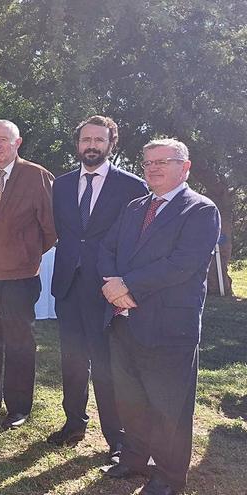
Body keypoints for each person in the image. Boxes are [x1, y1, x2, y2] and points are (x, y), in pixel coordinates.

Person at [98, 138, 220, 495]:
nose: (152, 168)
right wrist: (113, 287)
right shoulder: (135, 207)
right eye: (147, 162)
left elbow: (183, 264)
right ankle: (134, 459)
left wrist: (127, 286)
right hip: (123, 321)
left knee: (169, 407)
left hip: (168, 327)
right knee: (130, 398)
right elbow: (107, 249)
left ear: (185, 167)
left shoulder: (200, 209)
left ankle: (168, 476)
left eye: (162, 161)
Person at [48, 116, 148, 461]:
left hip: (107, 289)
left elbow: (136, 240)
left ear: (111, 144)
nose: (91, 145)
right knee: (72, 360)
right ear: (77, 144)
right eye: (85, 139)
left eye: (99, 140)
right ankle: (74, 423)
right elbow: (65, 231)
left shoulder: (132, 187)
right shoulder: (59, 185)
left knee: (108, 365)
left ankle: (116, 438)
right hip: (68, 285)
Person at [0, 120, 56, 429]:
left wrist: (24, 254)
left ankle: (18, 407)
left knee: (19, 342)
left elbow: (51, 230)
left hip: (19, 278)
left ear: (17, 143)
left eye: (3, 139)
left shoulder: (37, 176)